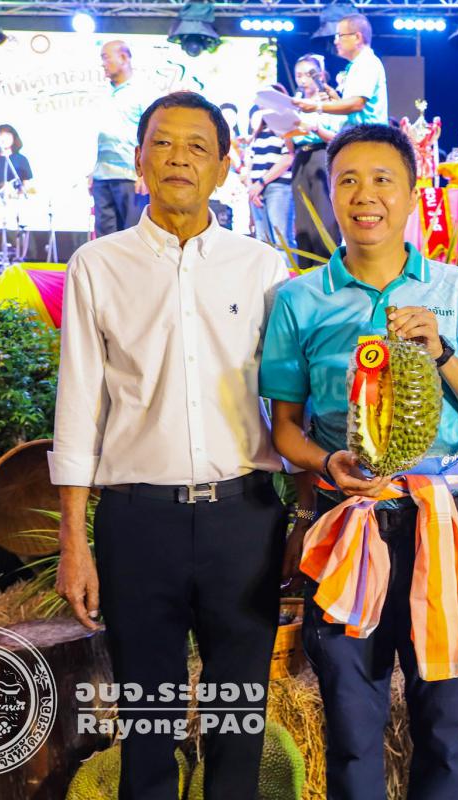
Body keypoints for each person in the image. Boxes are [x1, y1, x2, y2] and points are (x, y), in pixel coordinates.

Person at [51, 92, 290, 798]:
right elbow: (79, 406)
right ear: (139, 160)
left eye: (197, 147)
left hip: (243, 521)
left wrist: (305, 513)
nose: (178, 159)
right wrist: (74, 540)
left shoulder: (262, 268)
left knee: (237, 724)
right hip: (138, 522)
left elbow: (289, 401)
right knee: (147, 725)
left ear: (223, 168)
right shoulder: (97, 266)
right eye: (163, 143)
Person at [262, 123, 458, 800]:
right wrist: (328, 462)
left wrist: (441, 351)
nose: (364, 195)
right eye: (348, 181)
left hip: (448, 521)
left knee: (445, 727)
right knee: (351, 726)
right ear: (331, 194)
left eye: (382, 181)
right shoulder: (299, 300)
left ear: (410, 193)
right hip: (349, 522)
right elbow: (284, 430)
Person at [287, 53, 342, 269]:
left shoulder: (329, 102)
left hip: (322, 155)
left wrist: (316, 128)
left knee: (324, 215)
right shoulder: (294, 102)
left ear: (319, 75)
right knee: (302, 220)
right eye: (298, 75)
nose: (302, 80)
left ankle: (325, 267)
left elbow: (337, 137)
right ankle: (305, 268)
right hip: (300, 158)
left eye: (307, 75)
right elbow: (290, 143)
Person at [91, 40, 151, 236]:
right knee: (105, 239)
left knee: (133, 236)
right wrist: (92, 171)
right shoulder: (103, 92)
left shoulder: (143, 91)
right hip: (102, 176)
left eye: (106, 58)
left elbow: (152, 135)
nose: (103, 63)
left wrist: (145, 174)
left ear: (124, 58)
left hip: (130, 176)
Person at [292, 14, 387, 130]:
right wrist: (337, 100)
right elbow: (356, 110)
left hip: (368, 137)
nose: (336, 41)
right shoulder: (359, 63)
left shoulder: (366, 62)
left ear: (357, 37)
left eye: (339, 36)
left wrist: (317, 106)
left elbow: (357, 104)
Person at [245, 107, 295, 247]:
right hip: (256, 192)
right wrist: (252, 189)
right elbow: (250, 164)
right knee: (262, 240)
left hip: (278, 187)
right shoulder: (258, 133)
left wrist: (261, 183)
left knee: (281, 239)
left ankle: (287, 263)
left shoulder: (284, 131)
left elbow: (288, 158)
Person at [0, 123, 33, 195]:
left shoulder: (22, 160)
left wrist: (19, 194)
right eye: (1, 135)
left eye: (8, 135)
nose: (4, 139)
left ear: (14, 138)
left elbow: (26, 183)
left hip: (16, 198)